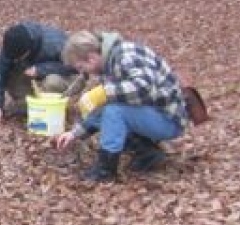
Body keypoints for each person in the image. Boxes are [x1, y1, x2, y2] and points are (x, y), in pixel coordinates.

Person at [51, 29, 189, 182]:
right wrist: (74, 133)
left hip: (168, 119)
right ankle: (147, 153)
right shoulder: (110, 63)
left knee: (114, 111)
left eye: (81, 68)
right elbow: (108, 103)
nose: (84, 73)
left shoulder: (126, 56)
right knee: (112, 109)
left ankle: (105, 170)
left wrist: (104, 92)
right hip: (153, 112)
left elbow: (143, 88)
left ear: (91, 58)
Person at [0, 22, 80, 120]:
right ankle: (29, 104)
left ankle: (54, 107)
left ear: (28, 50)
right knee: (10, 72)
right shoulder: (10, 46)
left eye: (19, 57)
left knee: (52, 82)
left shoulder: (56, 43)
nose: (16, 60)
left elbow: (73, 67)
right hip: (30, 73)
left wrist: (40, 69)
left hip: (61, 77)